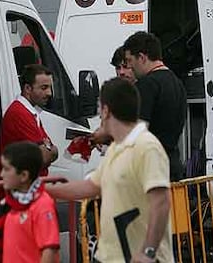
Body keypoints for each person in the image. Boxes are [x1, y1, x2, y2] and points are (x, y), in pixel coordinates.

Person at [47, 78, 173, 263]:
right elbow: (90, 187)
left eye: (99, 108)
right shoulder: (116, 148)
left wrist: (148, 251)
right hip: (112, 257)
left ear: (105, 111)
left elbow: (161, 201)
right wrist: (44, 190)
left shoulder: (147, 147)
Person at [0, 142, 60, 263]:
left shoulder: (42, 205)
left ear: (23, 176)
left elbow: (49, 250)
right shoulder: (7, 204)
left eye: (7, 169)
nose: (1, 174)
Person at [123, 31, 187, 181]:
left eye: (130, 60)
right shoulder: (178, 84)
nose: (129, 66)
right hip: (172, 167)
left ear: (142, 57)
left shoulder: (146, 85)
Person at [1, 64, 58, 176]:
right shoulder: (20, 113)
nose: (49, 93)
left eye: (50, 88)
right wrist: (51, 150)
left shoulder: (30, 112)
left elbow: (48, 149)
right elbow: (43, 157)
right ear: (27, 88)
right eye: (44, 88)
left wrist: (49, 149)